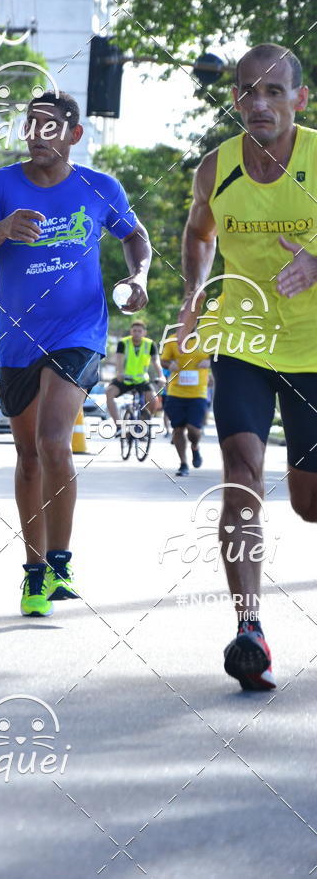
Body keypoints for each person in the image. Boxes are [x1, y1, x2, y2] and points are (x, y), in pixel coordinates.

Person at [0, 90, 152, 617]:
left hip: (79, 331)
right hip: (19, 338)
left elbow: (134, 235)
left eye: (50, 126)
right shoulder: (0, 187)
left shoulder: (99, 187)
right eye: (31, 125)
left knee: (52, 440)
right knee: (27, 457)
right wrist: (2, 230)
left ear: (73, 135)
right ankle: (35, 572)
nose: (37, 135)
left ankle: (61, 562)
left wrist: (138, 276)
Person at [178, 43, 317, 691]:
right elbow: (199, 233)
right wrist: (193, 296)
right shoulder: (217, 168)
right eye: (247, 92)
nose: (259, 103)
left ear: (299, 99)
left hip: (313, 350)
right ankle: (249, 629)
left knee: (309, 503)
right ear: (234, 99)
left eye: (273, 91)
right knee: (241, 473)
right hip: (244, 341)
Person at [160, 336, 210, 476]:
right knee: (178, 429)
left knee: (193, 429)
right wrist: (169, 365)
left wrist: (209, 361)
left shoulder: (206, 338)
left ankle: (195, 447)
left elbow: (218, 358)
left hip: (198, 393)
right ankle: (183, 464)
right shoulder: (172, 340)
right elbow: (163, 361)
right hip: (175, 392)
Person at [105, 321, 164, 422]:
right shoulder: (123, 343)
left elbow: (155, 361)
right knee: (109, 392)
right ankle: (119, 425)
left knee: (154, 401)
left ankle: (145, 420)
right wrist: (119, 372)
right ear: (131, 331)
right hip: (125, 379)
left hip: (142, 380)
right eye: (134, 330)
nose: (137, 333)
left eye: (139, 331)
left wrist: (161, 376)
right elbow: (119, 359)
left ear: (144, 332)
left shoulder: (150, 344)